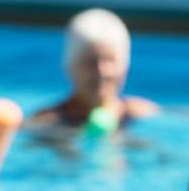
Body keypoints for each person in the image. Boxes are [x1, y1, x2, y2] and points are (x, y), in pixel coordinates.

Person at [28, 9, 157, 130]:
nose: (102, 71)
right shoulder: (45, 122)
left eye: (110, 60)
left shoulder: (141, 113)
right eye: (91, 62)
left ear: (124, 66)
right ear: (70, 67)